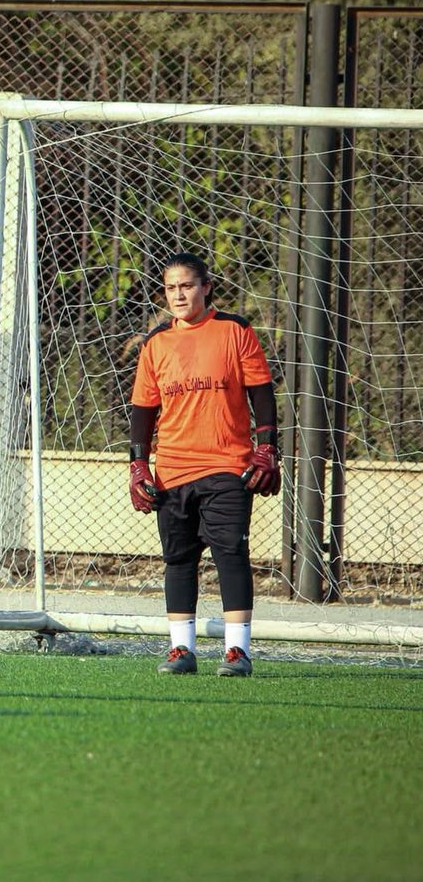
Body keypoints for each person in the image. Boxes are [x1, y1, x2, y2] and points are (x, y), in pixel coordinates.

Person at [127, 252, 281, 677]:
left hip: (227, 464)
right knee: (178, 559)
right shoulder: (156, 343)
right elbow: (143, 409)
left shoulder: (235, 331)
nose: (179, 294)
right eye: (171, 287)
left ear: (206, 287)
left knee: (231, 553)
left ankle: (237, 653)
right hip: (173, 469)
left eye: (187, 286)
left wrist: (267, 447)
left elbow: (262, 393)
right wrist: (139, 465)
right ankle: (182, 651)